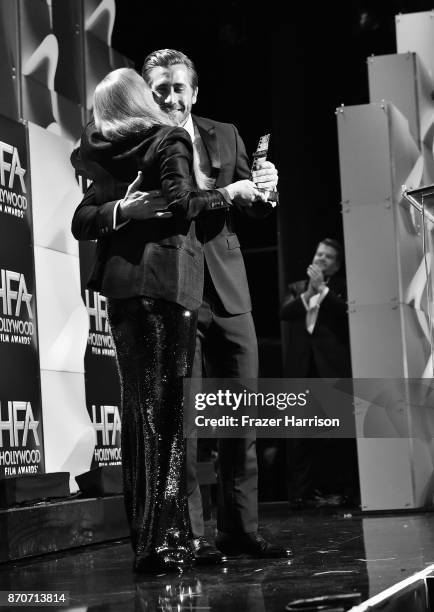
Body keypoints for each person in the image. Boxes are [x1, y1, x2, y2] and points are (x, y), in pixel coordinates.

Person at [73, 49, 289, 563]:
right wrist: (124, 208)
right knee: (180, 422)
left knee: (241, 417)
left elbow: (252, 206)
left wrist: (268, 191)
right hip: (169, 290)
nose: (171, 97)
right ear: (147, 94)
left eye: (179, 88)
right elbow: (88, 214)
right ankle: (187, 538)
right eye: (160, 89)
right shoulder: (130, 137)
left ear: (195, 92)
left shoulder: (226, 134)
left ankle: (240, 532)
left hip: (228, 287)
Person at [280, 238, 359, 508]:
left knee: (339, 434)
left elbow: (346, 313)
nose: (321, 259)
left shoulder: (341, 287)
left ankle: (345, 491)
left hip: (333, 370)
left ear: (335, 266)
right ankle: (301, 494)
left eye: (328, 257)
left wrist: (322, 290)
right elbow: (285, 312)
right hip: (303, 371)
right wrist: (308, 292)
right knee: (301, 436)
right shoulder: (296, 288)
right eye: (319, 253)